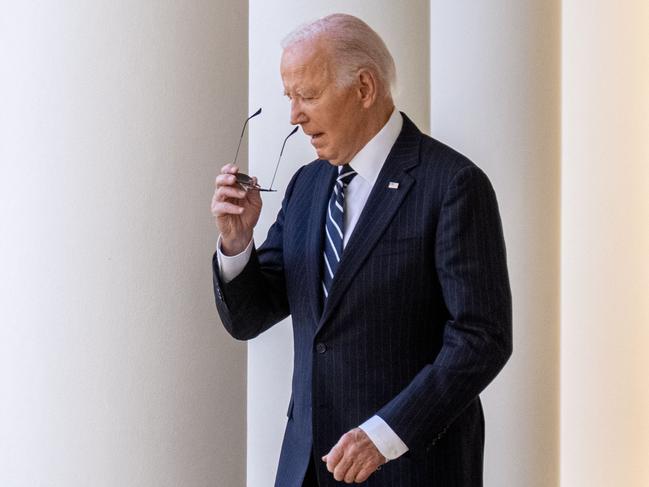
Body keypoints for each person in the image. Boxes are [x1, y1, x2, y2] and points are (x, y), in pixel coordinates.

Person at [211, 13, 512, 487]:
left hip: (410, 467)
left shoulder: (453, 184)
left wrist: (386, 434)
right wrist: (236, 241)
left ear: (365, 88)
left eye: (307, 96)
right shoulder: (305, 187)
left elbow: (481, 337)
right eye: (290, 98)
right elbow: (251, 316)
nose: (294, 115)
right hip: (308, 467)